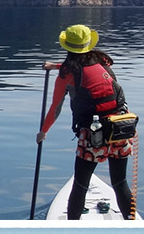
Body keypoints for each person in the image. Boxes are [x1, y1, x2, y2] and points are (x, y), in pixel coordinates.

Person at [35, 24, 134, 220]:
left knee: (80, 184)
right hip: (119, 129)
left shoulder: (66, 75)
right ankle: (132, 226)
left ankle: (73, 227)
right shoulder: (103, 60)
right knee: (120, 182)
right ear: (88, 44)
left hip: (93, 135)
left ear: (67, 46)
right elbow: (89, 71)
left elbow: (56, 107)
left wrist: (43, 132)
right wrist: (56, 66)